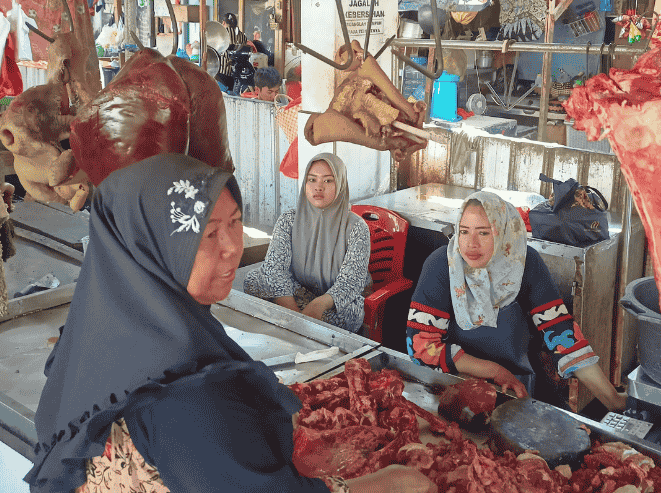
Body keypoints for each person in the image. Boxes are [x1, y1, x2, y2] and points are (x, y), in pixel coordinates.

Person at [25, 154, 430, 493]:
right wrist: (390, 483)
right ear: (152, 245)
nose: (233, 246)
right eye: (207, 234)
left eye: (235, 221)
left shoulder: (90, 336)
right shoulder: (192, 397)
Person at [406, 191, 628, 410]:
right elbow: (421, 347)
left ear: (504, 232)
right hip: (455, 384)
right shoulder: (443, 265)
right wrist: (494, 371)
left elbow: (562, 333)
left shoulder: (524, 263)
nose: (471, 244)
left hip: (519, 386)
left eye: (483, 233)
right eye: (464, 231)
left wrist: (612, 400)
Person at [244, 153, 370, 332]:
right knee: (253, 279)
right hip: (299, 290)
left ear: (341, 184)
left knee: (344, 317)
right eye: (312, 179)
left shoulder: (357, 227)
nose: (318, 187)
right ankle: (298, 318)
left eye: (328, 181)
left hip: (333, 301)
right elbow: (275, 268)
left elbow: (350, 282)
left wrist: (319, 305)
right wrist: (294, 312)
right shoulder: (288, 220)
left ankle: (290, 318)